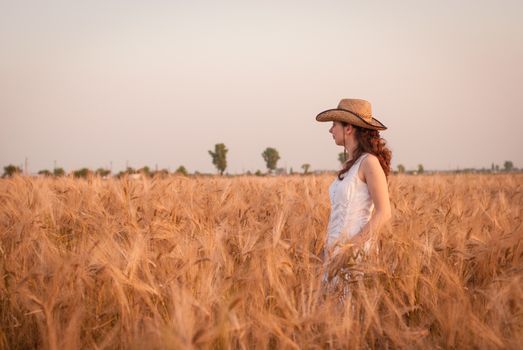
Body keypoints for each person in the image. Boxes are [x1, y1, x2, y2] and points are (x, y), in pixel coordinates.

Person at [315, 98, 392, 279]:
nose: (330, 130)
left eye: (334, 124)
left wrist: (349, 250)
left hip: (354, 257)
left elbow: (384, 212)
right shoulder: (352, 163)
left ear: (348, 128)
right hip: (334, 254)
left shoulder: (369, 162)